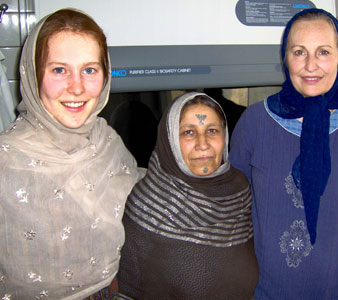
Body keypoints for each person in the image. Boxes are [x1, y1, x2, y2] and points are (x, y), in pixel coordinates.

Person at [229, 8, 338, 300]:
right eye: (299, 52)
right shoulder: (254, 122)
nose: (311, 65)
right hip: (264, 290)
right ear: (285, 58)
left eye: (323, 52)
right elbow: (231, 210)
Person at [0, 9, 141, 299]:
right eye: (59, 70)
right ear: (33, 75)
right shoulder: (7, 162)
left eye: (89, 70)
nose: (76, 87)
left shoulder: (108, 142)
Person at [118, 92, 258, 300]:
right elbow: (130, 289)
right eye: (189, 132)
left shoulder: (238, 190)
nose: (203, 144)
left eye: (212, 130)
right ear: (169, 140)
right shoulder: (148, 204)